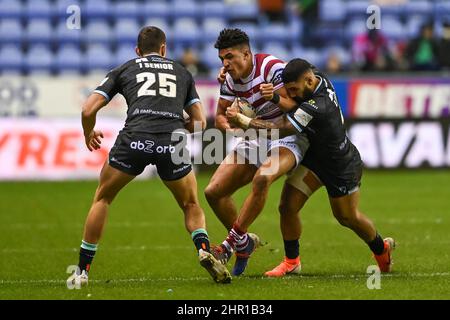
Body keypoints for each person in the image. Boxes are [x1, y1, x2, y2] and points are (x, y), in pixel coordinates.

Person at [67, 26, 231, 286]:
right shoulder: (182, 72)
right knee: (190, 204)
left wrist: (89, 133)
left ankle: (82, 272)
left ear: (137, 51)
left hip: (135, 138)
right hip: (171, 141)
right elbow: (200, 123)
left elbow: (88, 110)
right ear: (164, 49)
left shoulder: (125, 68)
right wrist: (178, 124)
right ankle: (203, 249)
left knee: (103, 198)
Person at [224, 58, 395, 276]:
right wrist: (228, 75)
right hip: (314, 160)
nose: (292, 94)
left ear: (308, 80)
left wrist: (244, 121)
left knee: (347, 217)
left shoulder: (318, 106)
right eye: (289, 90)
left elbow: (281, 128)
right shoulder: (312, 76)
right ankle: (292, 262)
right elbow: (288, 76)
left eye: (294, 90)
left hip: (340, 166)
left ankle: (382, 250)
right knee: (287, 206)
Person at [204, 28, 309, 276]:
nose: (226, 64)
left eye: (229, 57)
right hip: (256, 135)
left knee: (263, 178)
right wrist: (228, 123)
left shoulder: (272, 68)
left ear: (246, 54)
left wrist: (274, 99)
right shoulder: (229, 80)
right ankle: (244, 244)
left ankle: (228, 245)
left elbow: (300, 107)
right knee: (213, 192)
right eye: (222, 59)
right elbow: (219, 114)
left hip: (288, 135)